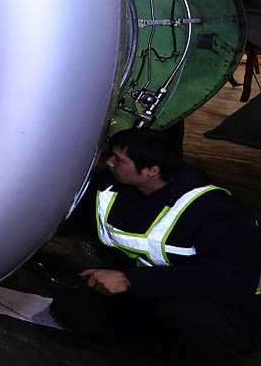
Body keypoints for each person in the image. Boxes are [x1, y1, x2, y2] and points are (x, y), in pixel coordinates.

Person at [50, 128, 261, 364]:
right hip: (157, 289)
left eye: (119, 159)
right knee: (74, 307)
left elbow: (229, 281)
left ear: (152, 170)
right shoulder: (115, 186)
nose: (108, 162)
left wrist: (131, 279)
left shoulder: (217, 211)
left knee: (186, 317)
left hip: (229, 306)